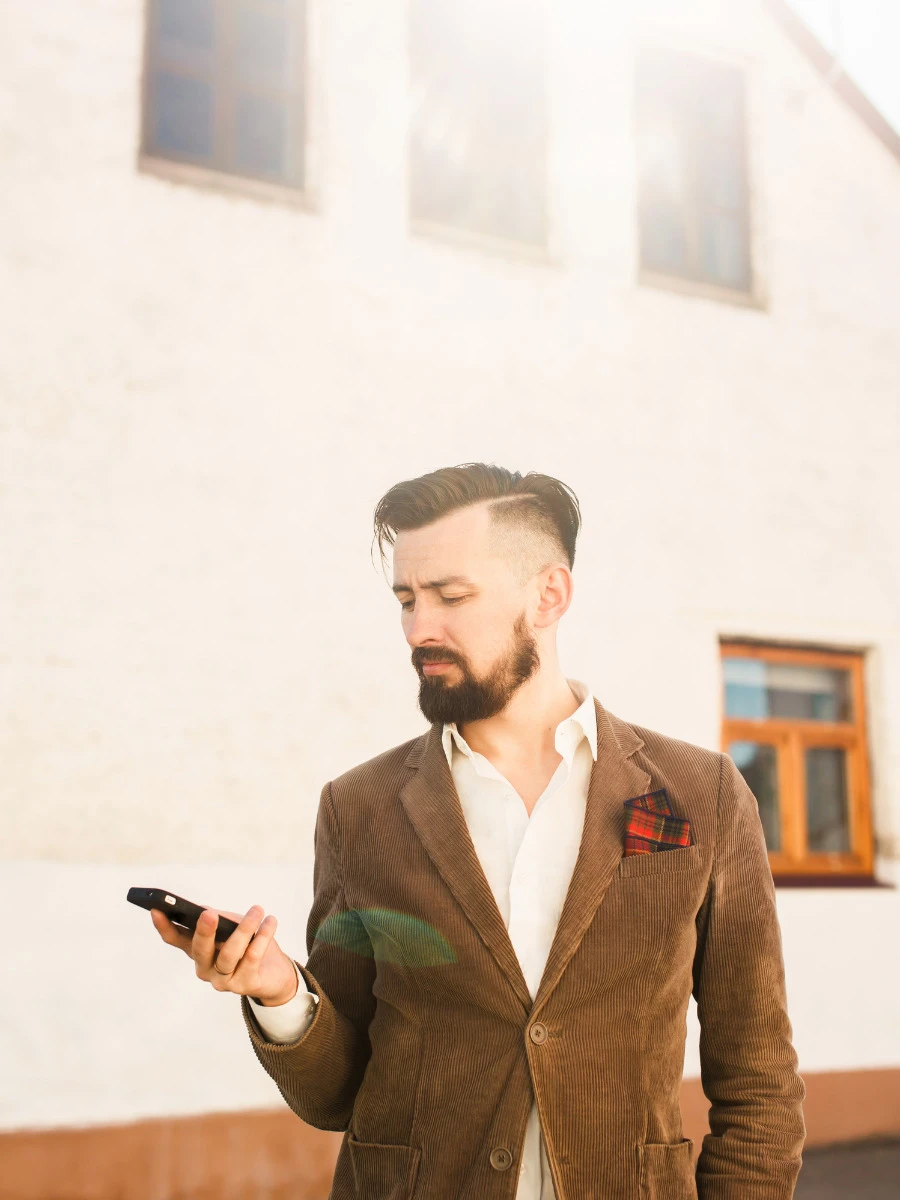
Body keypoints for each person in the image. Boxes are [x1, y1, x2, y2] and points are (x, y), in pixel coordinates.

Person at [151, 463, 805, 1199]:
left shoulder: (701, 793)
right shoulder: (360, 807)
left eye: (451, 597)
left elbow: (759, 1085)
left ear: (548, 595)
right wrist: (278, 994)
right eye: (406, 600)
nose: (417, 628)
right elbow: (336, 1094)